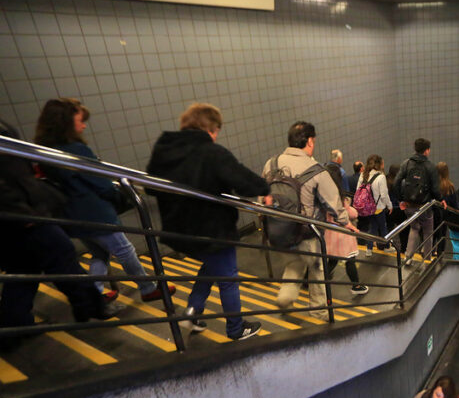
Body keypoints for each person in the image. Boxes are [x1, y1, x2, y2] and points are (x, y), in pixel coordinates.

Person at [34, 99, 174, 304]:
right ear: (66, 123)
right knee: (125, 250)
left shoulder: (44, 150)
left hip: (71, 214)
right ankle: (148, 288)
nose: (84, 126)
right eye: (80, 121)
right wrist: (120, 196)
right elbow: (101, 183)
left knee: (100, 253)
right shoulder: (76, 150)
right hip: (94, 213)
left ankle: (95, 293)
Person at [147, 103, 268, 340]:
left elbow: (152, 187)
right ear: (211, 129)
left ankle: (193, 311)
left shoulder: (165, 150)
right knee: (228, 278)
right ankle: (236, 328)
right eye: (216, 131)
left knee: (211, 266)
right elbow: (246, 182)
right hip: (212, 231)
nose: (216, 137)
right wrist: (264, 188)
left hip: (179, 231)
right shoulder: (212, 152)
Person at [0, 121, 123, 330]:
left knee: (23, 269)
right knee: (62, 253)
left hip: (16, 217)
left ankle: (14, 326)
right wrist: (22, 212)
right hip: (23, 215)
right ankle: (92, 306)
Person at [262, 121, 355, 321]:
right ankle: (319, 311)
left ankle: (285, 298)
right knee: (317, 270)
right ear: (310, 141)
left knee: (294, 263)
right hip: (308, 234)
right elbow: (333, 202)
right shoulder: (316, 170)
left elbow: (263, 196)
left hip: (279, 230)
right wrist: (345, 222)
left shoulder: (271, 164)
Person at [394, 138, 442, 266]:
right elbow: (435, 189)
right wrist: (441, 200)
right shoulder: (430, 167)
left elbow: (396, 182)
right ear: (426, 151)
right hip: (425, 206)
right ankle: (427, 258)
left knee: (414, 228)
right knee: (428, 232)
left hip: (409, 204)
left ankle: (408, 257)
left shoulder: (406, 163)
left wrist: (401, 200)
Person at [325, 175, 368, 295]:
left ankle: (319, 281)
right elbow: (352, 214)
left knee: (332, 260)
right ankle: (356, 286)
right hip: (342, 233)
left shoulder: (324, 194)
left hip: (329, 232)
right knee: (350, 260)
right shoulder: (340, 197)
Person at [356, 154, 392, 256]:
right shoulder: (381, 177)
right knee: (383, 227)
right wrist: (390, 206)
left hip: (367, 208)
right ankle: (387, 247)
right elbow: (384, 195)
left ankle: (369, 249)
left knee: (373, 227)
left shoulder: (363, 175)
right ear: (379, 164)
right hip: (378, 207)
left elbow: (358, 190)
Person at [436, 162, 459, 257]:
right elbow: (455, 203)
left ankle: (430, 252)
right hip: (444, 215)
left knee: (432, 232)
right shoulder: (450, 186)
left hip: (433, 213)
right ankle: (440, 254)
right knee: (442, 235)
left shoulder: (433, 184)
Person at [386, 164, 409, 253]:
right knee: (404, 230)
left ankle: (385, 245)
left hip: (389, 209)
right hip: (399, 210)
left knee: (388, 229)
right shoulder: (400, 183)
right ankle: (403, 248)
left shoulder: (386, 181)